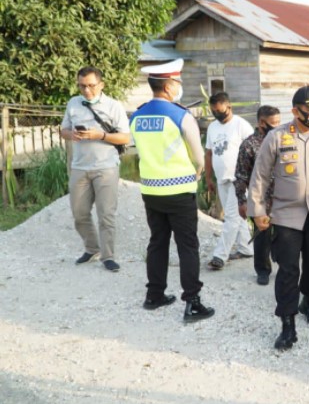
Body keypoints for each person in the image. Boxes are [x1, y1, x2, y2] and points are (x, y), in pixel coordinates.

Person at [247, 86, 309, 350]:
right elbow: (260, 175)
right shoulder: (277, 137)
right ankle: (287, 324)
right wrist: (257, 210)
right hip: (287, 215)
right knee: (288, 270)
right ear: (295, 111)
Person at [130, 58, 214, 322]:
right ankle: (192, 302)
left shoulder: (137, 114)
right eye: (178, 82)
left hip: (151, 190)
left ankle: (154, 295)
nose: (180, 87)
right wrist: (198, 173)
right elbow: (198, 156)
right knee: (187, 246)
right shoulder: (180, 115)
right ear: (168, 87)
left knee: (158, 242)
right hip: (179, 190)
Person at [61, 67, 130, 272]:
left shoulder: (113, 105)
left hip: (106, 167)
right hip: (79, 167)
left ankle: (108, 256)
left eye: (91, 85)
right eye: (82, 86)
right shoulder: (73, 103)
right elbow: (63, 130)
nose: (87, 90)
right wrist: (71, 134)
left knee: (106, 214)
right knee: (79, 213)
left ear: (101, 85)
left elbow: (125, 137)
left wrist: (99, 135)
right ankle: (92, 248)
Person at [204, 92, 255, 270]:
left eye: (219, 110)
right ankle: (246, 248)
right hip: (221, 179)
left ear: (229, 106)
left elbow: (255, 149)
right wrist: (208, 178)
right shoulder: (212, 127)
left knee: (231, 217)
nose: (217, 114)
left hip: (239, 179)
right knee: (237, 217)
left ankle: (220, 256)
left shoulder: (241, 125)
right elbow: (209, 153)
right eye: (213, 111)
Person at [234, 105, 281, 285]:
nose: (277, 126)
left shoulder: (282, 141)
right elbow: (241, 175)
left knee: (284, 236)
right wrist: (242, 201)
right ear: (262, 122)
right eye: (273, 123)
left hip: (282, 200)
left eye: (279, 122)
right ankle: (263, 270)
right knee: (261, 238)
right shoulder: (249, 145)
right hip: (260, 201)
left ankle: (282, 265)